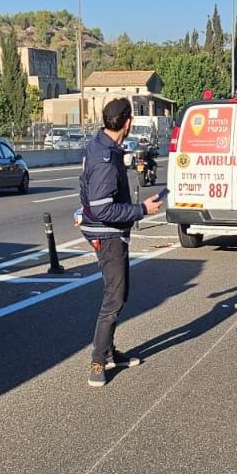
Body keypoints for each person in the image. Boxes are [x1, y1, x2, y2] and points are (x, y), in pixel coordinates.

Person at [78, 97, 163, 387]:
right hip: (108, 234)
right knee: (114, 298)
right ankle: (98, 362)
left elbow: (83, 187)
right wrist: (142, 210)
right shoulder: (105, 157)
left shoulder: (100, 146)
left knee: (119, 295)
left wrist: (85, 213)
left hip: (108, 231)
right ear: (127, 123)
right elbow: (102, 206)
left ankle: (110, 352)